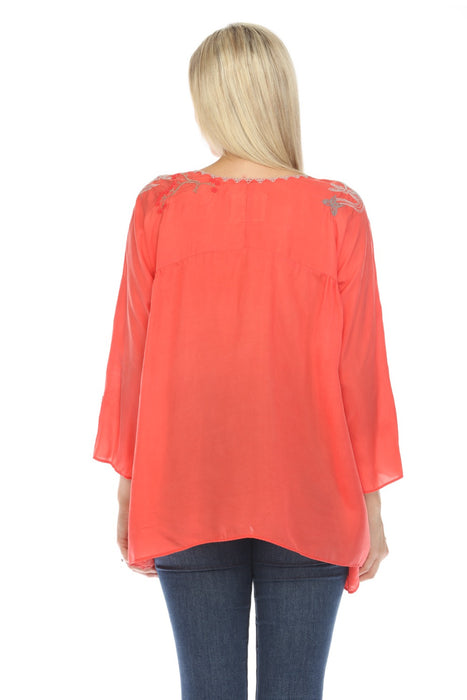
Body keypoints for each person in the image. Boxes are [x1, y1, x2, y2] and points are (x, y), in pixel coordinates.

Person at [93, 22, 404, 699]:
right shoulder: (336, 211)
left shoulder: (160, 206)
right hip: (313, 492)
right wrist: (371, 506)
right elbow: (361, 372)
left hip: (185, 488)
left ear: (207, 100)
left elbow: (131, 359)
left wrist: (129, 488)